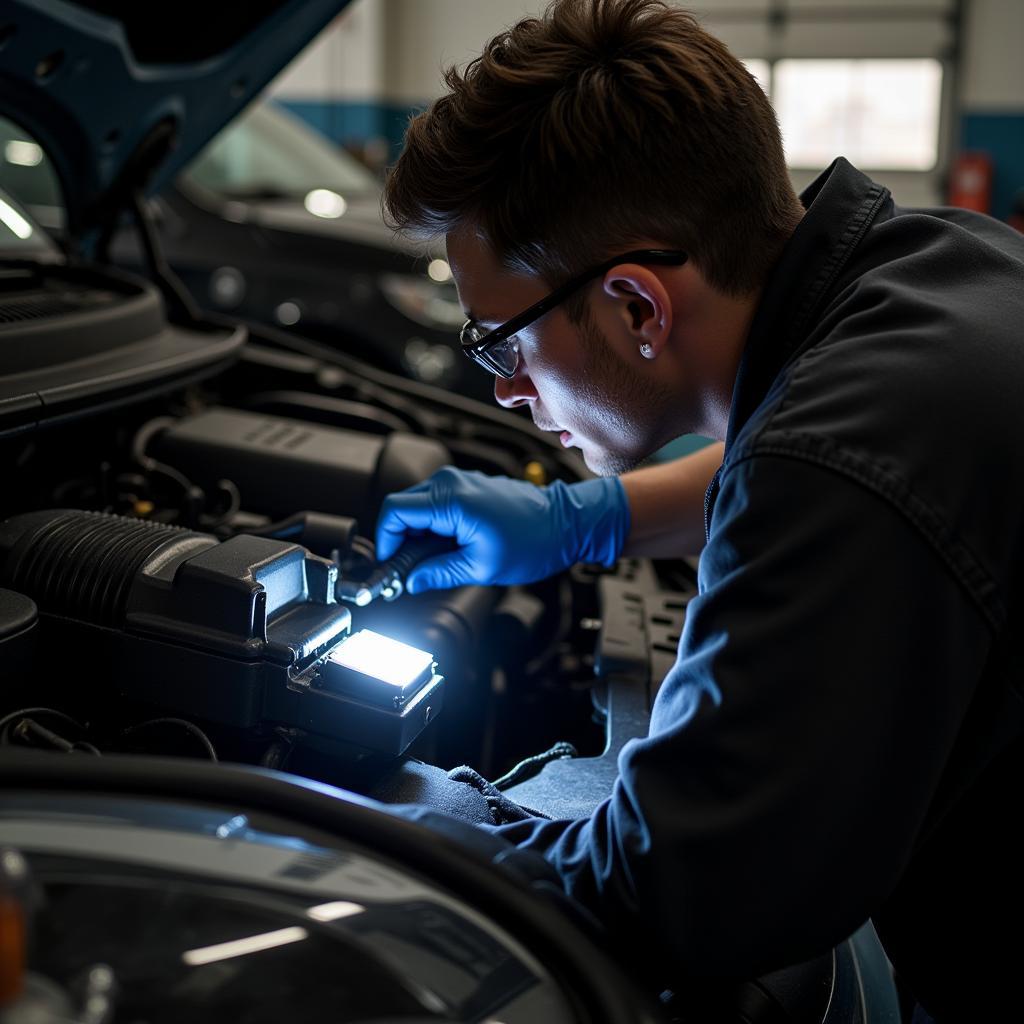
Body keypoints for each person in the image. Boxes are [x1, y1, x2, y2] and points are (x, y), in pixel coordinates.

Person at [373, 1, 1024, 1018]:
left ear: (637, 306)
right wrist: (585, 520)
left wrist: (436, 828)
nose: (503, 388)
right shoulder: (930, 267)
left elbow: (688, 893)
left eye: (502, 341)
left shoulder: (848, 448)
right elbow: (796, 460)